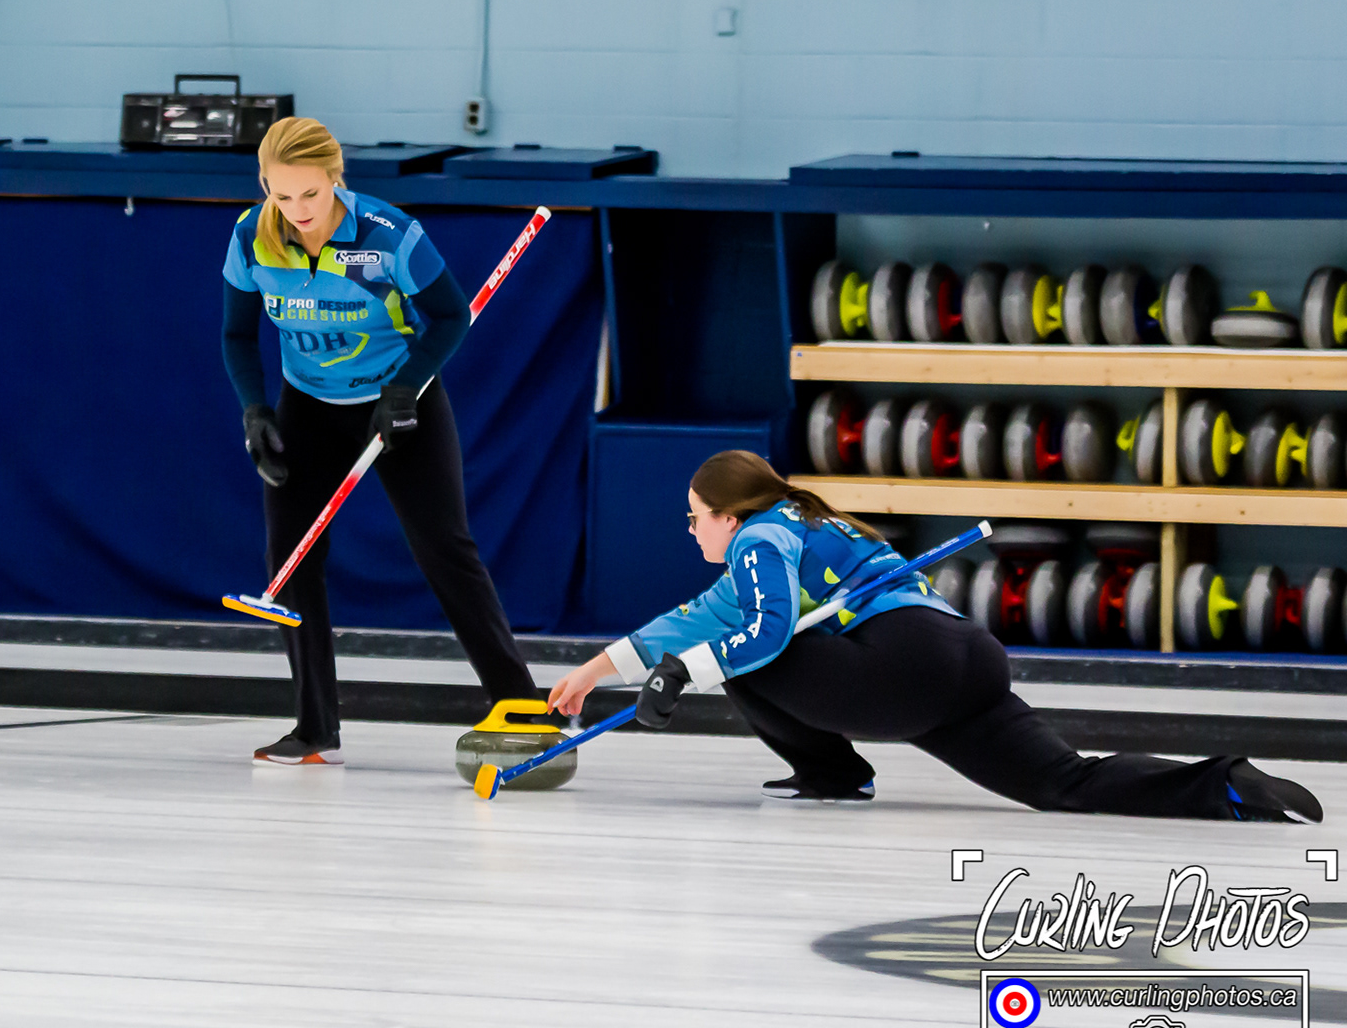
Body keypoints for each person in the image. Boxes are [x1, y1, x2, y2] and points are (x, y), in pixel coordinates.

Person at [549, 451, 1323, 823]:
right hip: (964, 658)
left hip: (900, 667)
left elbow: (766, 631)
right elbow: (696, 618)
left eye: (694, 517)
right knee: (1064, 783)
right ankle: (1225, 784)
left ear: (729, 514)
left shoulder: (760, 539)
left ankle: (831, 773)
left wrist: (682, 673)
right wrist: (592, 673)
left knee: (746, 653)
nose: (691, 530)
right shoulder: (801, 525)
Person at [222, 117, 537, 765]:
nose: (297, 210)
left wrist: (407, 387)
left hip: (400, 402)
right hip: (307, 407)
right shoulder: (251, 237)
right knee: (290, 560)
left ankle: (523, 707)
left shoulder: (388, 235)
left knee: (444, 547)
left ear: (336, 179)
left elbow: (450, 315)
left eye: (311, 193)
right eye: (281, 194)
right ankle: (315, 727)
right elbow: (237, 334)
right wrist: (255, 411)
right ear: (264, 186)